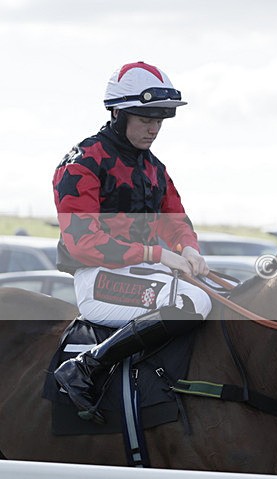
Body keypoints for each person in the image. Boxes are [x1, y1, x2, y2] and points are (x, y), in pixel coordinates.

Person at [51, 61, 212, 424]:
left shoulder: (154, 168)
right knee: (189, 303)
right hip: (98, 279)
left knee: (221, 299)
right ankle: (86, 366)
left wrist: (188, 248)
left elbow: (176, 221)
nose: (154, 128)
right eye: (144, 119)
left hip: (143, 274)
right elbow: (83, 242)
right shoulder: (82, 162)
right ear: (118, 113)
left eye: (160, 119)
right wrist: (156, 253)